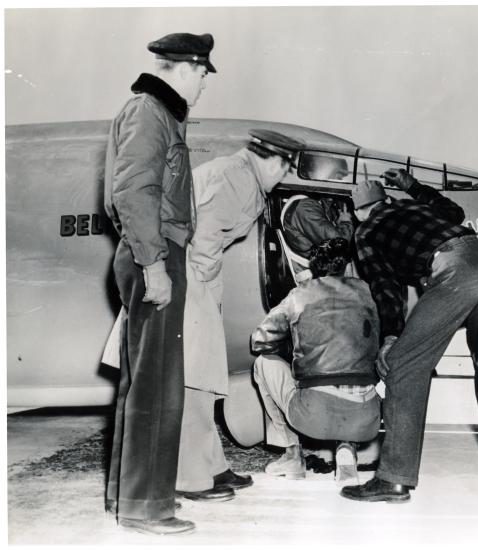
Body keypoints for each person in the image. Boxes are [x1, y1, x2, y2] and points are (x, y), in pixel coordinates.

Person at [340, 173, 478, 503]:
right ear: (385, 200)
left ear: (357, 211)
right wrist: (412, 185)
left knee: (403, 366)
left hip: (456, 269)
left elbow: (385, 288)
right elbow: (453, 210)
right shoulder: (414, 207)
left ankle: (393, 479)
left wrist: (391, 336)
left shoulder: (365, 231)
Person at [103, 32, 215, 535]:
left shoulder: (157, 113)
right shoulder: (150, 112)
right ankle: (146, 508)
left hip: (157, 251)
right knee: (158, 386)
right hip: (155, 254)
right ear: (185, 68)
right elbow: (134, 191)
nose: (204, 86)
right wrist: (153, 266)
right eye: (203, 75)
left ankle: (128, 499)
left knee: (143, 381)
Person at [176, 130, 305, 500]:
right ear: (276, 162)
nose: (281, 179)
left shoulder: (236, 174)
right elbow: (204, 241)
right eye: (283, 170)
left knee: (204, 382)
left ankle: (212, 468)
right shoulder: (235, 177)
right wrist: (203, 294)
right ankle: (192, 479)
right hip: (190, 285)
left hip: (194, 284)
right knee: (194, 383)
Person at [250, 238, 382, 486]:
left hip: (314, 416)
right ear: (346, 266)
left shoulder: (299, 295)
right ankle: (346, 450)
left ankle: (292, 455)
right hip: (367, 419)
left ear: (313, 268)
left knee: (263, 363)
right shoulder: (367, 291)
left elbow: (260, 341)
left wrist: (297, 350)